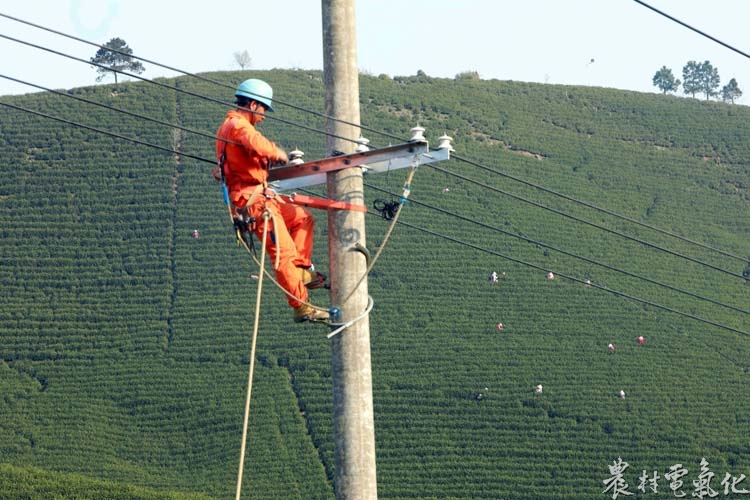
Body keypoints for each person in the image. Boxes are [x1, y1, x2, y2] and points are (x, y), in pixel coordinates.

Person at [215, 78, 328, 323]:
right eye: (264, 109)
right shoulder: (237, 125)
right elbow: (256, 143)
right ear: (253, 104)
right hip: (254, 202)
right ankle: (301, 306)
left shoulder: (230, 127)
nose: (264, 115)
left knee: (302, 218)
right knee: (282, 255)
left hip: (261, 196)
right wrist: (277, 153)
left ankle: (300, 271)